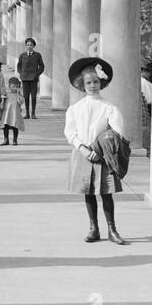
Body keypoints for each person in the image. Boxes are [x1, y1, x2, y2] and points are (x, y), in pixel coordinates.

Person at [64, 56, 127, 245]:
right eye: (89, 82)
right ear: (82, 85)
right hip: (84, 153)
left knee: (106, 192)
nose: (93, 85)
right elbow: (70, 131)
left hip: (103, 155)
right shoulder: (75, 108)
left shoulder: (109, 108)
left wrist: (100, 148)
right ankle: (93, 228)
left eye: (96, 82)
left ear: (102, 83)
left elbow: (117, 131)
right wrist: (81, 147)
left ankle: (112, 229)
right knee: (89, 192)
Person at [15, 37, 45, 118]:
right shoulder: (22, 55)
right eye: (28, 45)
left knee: (34, 96)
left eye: (31, 45)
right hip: (25, 79)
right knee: (26, 96)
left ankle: (33, 113)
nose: (29, 46)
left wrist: (37, 74)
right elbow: (19, 66)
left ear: (34, 46)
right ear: (25, 46)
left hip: (34, 79)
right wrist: (21, 73)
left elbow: (42, 66)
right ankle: (27, 113)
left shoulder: (37, 55)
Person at [0, 75, 25, 146]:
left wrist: (19, 94)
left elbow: (21, 102)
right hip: (6, 112)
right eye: (13, 86)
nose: (15, 88)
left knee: (15, 126)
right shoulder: (6, 93)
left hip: (15, 113)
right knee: (6, 126)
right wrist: (2, 100)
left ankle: (15, 140)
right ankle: (6, 140)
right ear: (9, 86)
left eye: (17, 86)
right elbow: (2, 102)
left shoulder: (18, 94)